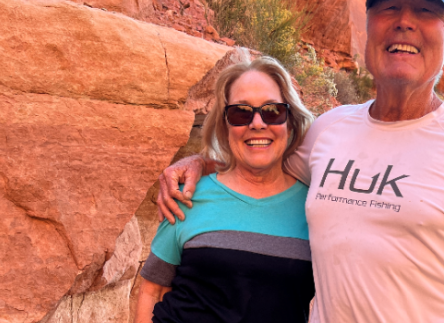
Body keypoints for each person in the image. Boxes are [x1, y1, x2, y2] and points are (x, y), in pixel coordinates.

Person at [157, 0, 444, 322]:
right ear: (368, 27)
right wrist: (200, 162)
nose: (404, 21)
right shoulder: (330, 128)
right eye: (389, 6)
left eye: (427, 10)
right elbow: (261, 164)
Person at [135, 57, 315, 323]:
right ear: (224, 124)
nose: (257, 123)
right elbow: (153, 290)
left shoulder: (315, 207)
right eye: (241, 112)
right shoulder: (189, 194)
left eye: (272, 111)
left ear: (290, 121)